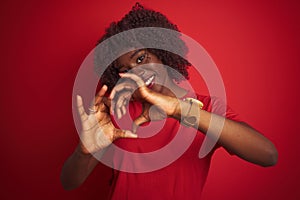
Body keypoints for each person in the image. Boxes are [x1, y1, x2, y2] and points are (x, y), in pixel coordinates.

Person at [61, 3, 278, 199]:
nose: (138, 72)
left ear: (161, 52)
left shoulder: (206, 108)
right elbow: (70, 183)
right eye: (126, 70)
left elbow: (268, 155)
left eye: (141, 58)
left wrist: (179, 110)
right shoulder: (115, 112)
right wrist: (84, 151)